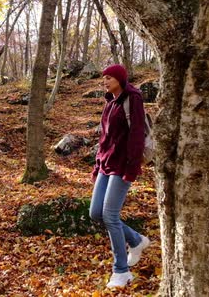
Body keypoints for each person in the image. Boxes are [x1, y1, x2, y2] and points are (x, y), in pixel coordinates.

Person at [89, 64, 151, 288]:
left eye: (109, 77)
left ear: (120, 78)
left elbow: (136, 135)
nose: (105, 81)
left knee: (110, 215)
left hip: (123, 165)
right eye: (103, 78)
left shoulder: (133, 98)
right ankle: (136, 240)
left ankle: (121, 271)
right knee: (96, 213)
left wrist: (132, 167)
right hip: (106, 164)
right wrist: (97, 165)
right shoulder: (109, 101)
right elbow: (104, 138)